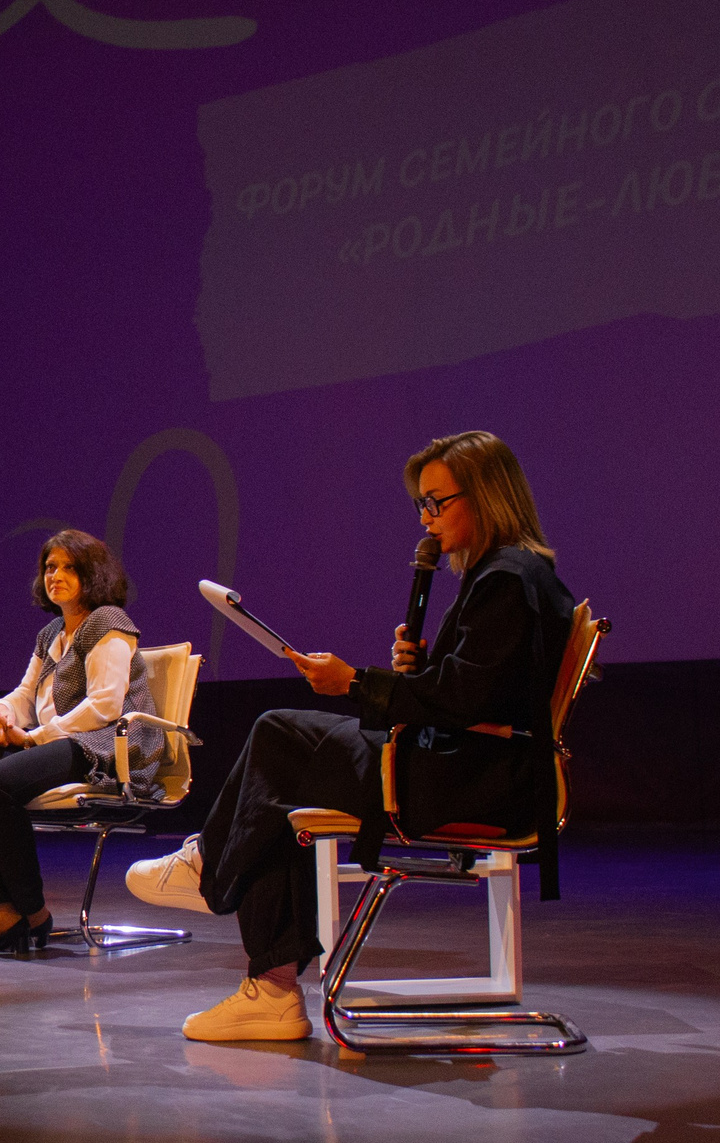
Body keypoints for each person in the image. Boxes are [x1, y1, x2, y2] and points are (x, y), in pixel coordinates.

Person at [128, 430, 574, 1041]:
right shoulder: (515, 575)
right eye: (422, 503)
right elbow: (472, 689)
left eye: (438, 501)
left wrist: (358, 683)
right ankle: (266, 977)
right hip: (468, 766)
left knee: (279, 736)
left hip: (466, 779)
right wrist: (410, 675)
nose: (427, 518)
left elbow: (464, 700)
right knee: (282, 783)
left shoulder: (507, 580)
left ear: (489, 494)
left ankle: (217, 880)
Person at [0, 530, 163, 958]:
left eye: (67, 567)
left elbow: (104, 705)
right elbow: (25, 694)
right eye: (49, 567)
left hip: (106, 746)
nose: (55, 575)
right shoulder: (51, 634)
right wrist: (0, 715)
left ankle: (32, 911)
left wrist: (37, 736)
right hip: (62, 742)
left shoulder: (108, 622)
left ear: (92, 574)